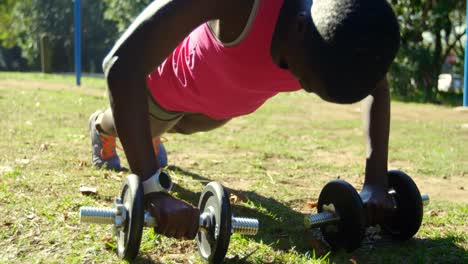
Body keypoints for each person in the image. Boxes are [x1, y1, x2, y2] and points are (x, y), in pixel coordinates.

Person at [89, 0, 400, 240]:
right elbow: (120, 63)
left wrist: (376, 180)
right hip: (165, 88)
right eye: (305, 79)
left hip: (219, 108)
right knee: (133, 121)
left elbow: (377, 87)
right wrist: (150, 187)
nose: (300, 85)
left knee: (184, 126)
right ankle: (104, 127)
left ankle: (147, 135)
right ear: (301, 27)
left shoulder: (345, 31)